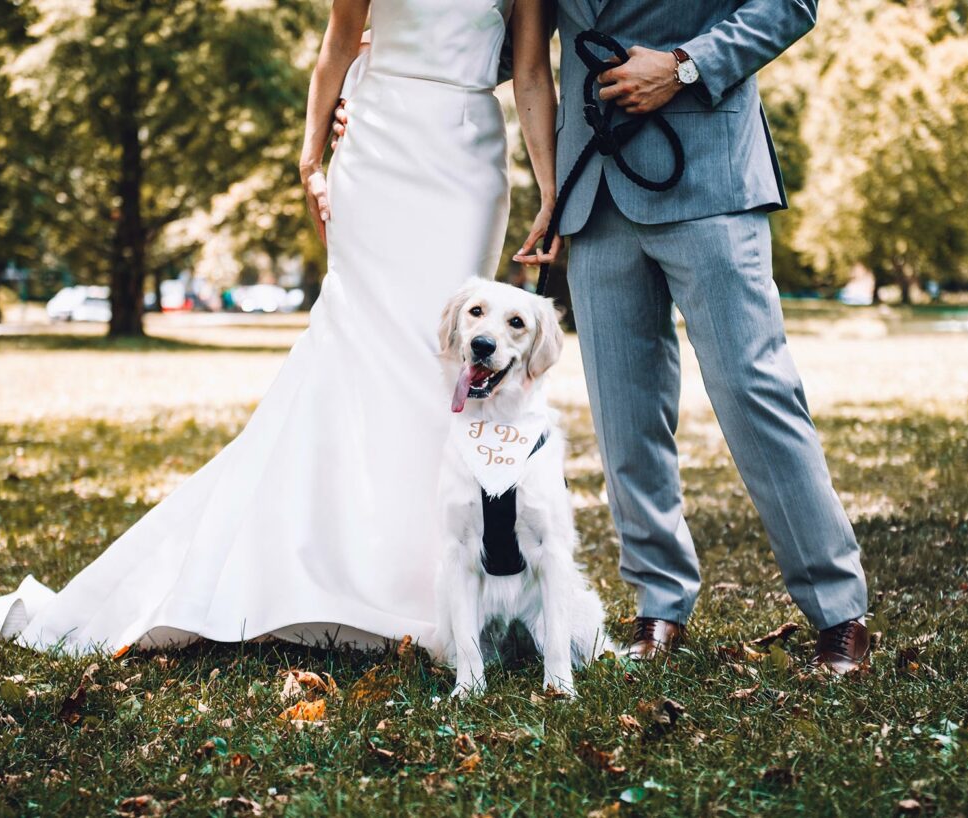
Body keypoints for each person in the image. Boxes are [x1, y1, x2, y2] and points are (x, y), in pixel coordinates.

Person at [0, 0, 560, 655]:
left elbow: (534, 72)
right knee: (357, 349)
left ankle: (444, 578)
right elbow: (338, 45)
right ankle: (332, 566)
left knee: (443, 363)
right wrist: (311, 160)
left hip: (468, 159)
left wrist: (549, 190)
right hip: (378, 148)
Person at [340, 0, 871, 673]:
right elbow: (518, 47)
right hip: (591, 188)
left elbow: (788, 4)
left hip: (706, 171)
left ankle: (837, 611)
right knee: (624, 417)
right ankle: (660, 602)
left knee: (753, 393)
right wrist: (394, 63)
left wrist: (684, 66)